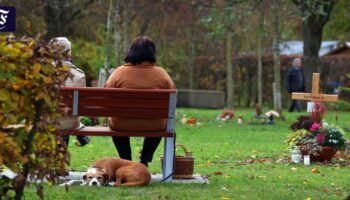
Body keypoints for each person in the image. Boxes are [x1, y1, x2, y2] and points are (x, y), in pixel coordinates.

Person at [105, 36, 176, 167]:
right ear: (152, 53)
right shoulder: (162, 74)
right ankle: (145, 160)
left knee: (116, 121)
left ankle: (126, 159)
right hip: (154, 125)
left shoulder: (118, 72)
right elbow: (173, 98)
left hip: (122, 124)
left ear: (131, 52)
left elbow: (107, 97)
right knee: (160, 123)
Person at [49, 37, 90, 147]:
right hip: (69, 123)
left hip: (46, 121)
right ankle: (64, 152)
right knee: (69, 118)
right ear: (68, 53)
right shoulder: (79, 74)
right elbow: (82, 105)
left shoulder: (43, 71)